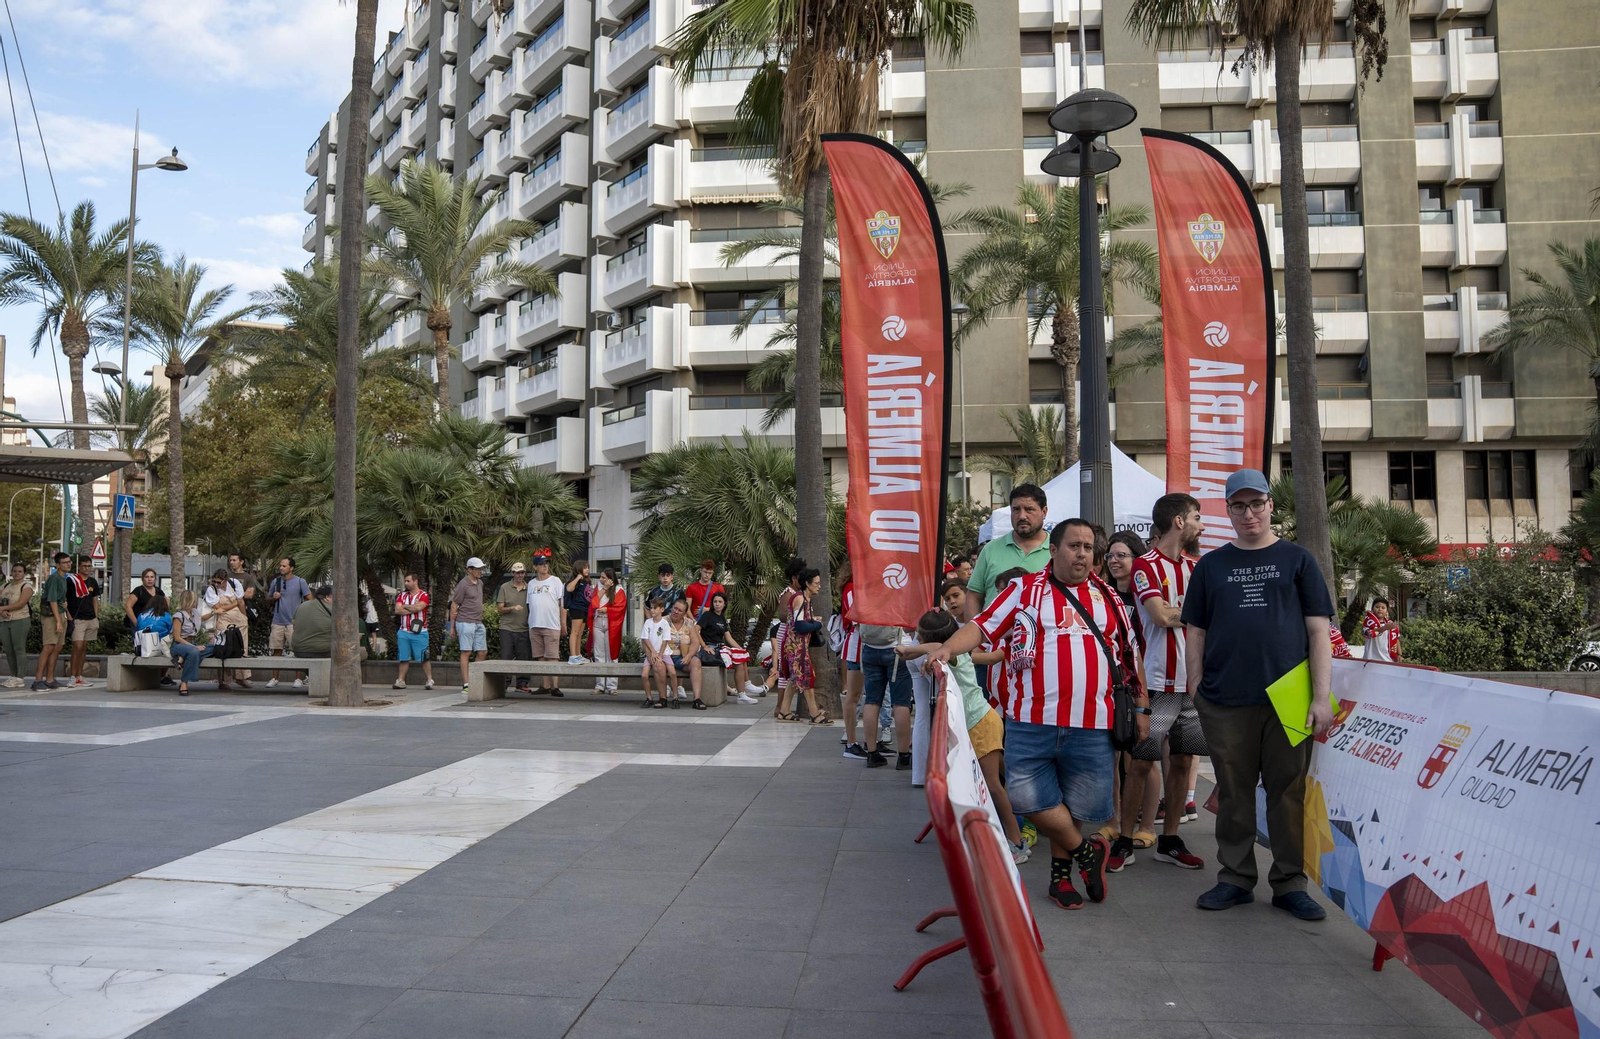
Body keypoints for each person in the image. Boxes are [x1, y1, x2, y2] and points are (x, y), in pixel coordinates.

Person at [928, 518, 1150, 911]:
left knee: (1078, 807)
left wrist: (1143, 706)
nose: (1081, 553)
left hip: (1094, 721)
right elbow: (981, 626)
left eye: (1087, 547)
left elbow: (1130, 657)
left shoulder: (1110, 597)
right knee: (1025, 799)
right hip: (1031, 720)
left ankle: (1060, 880)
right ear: (1054, 549)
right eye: (1073, 546)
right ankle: (1087, 853)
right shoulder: (1023, 590)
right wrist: (948, 649)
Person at [1182, 469, 1336, 921]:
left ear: (1271, 505)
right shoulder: (1211, 566)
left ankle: (1290, 882)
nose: (1249, 513)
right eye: (1239, 505)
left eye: (1256, 504)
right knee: (1233, 791)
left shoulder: (1298, 560)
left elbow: (1318, 630)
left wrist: (1321, 696)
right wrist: (1195, 685)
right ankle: (1234, 878)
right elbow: (1196, 631)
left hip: (1289, 698)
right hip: (1226, 699)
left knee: (1288, 792)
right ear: (1227, 511)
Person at [1110, 494, 1208, 874]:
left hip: (1193, 683)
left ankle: (1169, 840)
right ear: (1179, 522)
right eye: (1197, 517)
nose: (1202, 524)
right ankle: (1124, 839)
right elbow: (1160, 617)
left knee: (1183, 761)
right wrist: (1194, 614)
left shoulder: (1197, 566)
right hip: (1156, 683)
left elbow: (1177, 615)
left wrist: (1180, 613)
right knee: (1141, 763)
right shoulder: (1145, 567)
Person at [898, 608, 1030, 863]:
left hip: (980, 723)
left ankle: (1017, 842)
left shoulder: (953, 653)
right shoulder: (954, 655)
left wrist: (912, 650)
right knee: (1009, 779)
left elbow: (937, 646)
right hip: (980, 722)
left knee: (994, 786)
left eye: (919, 637)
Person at [968, 483, 1051, 615]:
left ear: (1044, 512)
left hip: (1042, 634)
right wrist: (975, 633)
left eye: (1029, 509)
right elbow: (974, 596)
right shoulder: (990, 549)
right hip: (993, 634)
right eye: (1016, 509)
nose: (1022, 516)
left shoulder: (1058, 551)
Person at [776, 568, 829, 725]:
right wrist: (817, 624)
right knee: (806, 677)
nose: (819, 586)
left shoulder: (805, 599)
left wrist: (812, 621)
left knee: (795, 678)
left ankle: (784, 711)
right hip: (796, 647)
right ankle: (813, 713)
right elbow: (799, 626)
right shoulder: (799, 599)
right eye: (817, 583)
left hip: (798, 646)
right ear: (807, 583)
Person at [697, 590, 762, 704]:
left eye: (720, 602)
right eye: (715, 601)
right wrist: (704, 646)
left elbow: (728, 637)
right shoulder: (707, 615)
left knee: (741, 655)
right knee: (738, 661)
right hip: (710, 650)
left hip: (721, 648)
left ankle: (745, 688)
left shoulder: (722, 618)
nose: (717, 604)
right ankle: (742, 694)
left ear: (724, 604)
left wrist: (741, 649)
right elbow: (695, 630)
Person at [264, 558, 312, 689]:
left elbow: (310, 598)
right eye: (280, 565)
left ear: (291, 568)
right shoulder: (276, 581)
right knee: (276, 650)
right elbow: (267, 598)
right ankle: (274, 678)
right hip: (278, 620)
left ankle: (298, 679)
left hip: (293, 621)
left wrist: (303, 614)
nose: (281, 568)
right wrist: (273, 597)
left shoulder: (300, 581)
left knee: (296, 650)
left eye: (284, 566)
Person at [838, 561, 869, 756]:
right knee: (854, 695)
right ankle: (851, 741)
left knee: (870, 696)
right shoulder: (851, 588)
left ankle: (869, 741)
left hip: (869, 643)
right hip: (858, 645)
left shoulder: (861, 587)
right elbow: (855, 616)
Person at [203, 567, 251, 690]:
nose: (217, 584)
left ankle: (242, 677)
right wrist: (235, 603)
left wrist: (244, 617)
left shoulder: (234, 584)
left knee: (242, 647)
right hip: (223, 618)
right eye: (215, 581)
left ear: (225, 580)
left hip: (238, 617)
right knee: (223, 646)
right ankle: (223, 680)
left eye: (219, 582)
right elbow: (219, 607)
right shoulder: (212, 589)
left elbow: (242, 603)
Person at [525, 554, 566, 696]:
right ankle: (545, 685)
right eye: (541, 564)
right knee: (540, 656)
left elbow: (562, 604)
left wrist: (563, 623)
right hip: (535, 625)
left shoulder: (555, 581)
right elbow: (529, 604)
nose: (545, 566)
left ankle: (555, 686)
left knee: (553, 656)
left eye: (546, 563)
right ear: (535, 567)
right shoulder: (531, 584)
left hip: (551, 624)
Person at [32, 552, 72, 690]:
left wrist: (65, 608)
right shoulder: (54, 578)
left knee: (57, 647)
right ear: (58, 565)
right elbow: (52, 600)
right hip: (52, 616)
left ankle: (50, 678)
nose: (68, 564)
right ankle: (38, 680)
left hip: (61, 614)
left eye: (69, 562)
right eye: (65, 562)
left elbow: (60, 599)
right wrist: (58, 621)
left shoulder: (63, 578)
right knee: (48, 646)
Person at [450, 557, 489, 694]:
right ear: (469, 570)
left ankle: (475, 681)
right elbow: (454, 605)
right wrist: (452, 627)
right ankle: (466, 684)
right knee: (466, 652)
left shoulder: (480, 583)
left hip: (478, 622)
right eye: (477, 568)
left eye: (481, 568)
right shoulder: (463, 584)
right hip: (465, 622)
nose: (480, 571)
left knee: (482, 651)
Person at [770, 558, 806, 696]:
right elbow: (783, 614)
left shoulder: (800, 593)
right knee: (785, 670)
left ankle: (783, 707)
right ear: (794, 577)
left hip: (794, 634)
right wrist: (799, 617)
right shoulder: (789, 592)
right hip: (786, 633)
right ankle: (780, 707)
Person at [586, 568, 626, 694]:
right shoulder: (598, 587)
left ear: (610, 578)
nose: (601, 579)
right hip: (598, 622)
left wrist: (608, 610)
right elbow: (593, 601)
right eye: (601, 577)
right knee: (599, 655)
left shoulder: (619, 590)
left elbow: (620, 607)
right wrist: (604, 588)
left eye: (603, 577)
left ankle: (612, 686)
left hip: (611, 623)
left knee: (611, 654)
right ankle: (600, 685)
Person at [169, 590, 216, 696]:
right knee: (194, 652)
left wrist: (213, 612)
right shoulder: (178, 616)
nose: (197, 602)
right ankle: (184, 683)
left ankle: (182, 659)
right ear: (190, 600)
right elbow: (177, 638)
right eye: (195, 599)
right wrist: (195, 647)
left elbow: (202, 619)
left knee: (214, 648)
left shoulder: (195, 613)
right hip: (179, 644)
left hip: (192, 644)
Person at [664, 598, 708, 710]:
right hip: (665, 657)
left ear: (684, 613)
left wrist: (689, 656)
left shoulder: (689, 623)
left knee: (696, 662)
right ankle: (662, 699)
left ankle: (696, 699)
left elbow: (695, 642)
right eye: (675, 608)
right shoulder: (663, 621)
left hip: (682, 657)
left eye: (680, 610)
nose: (676, 612)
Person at [393, 573, 435, 690]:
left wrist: (406, 606)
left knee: (424, 657)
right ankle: (400, 680)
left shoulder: (424, 595)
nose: (406, 583)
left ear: (415, 581)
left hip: (420, 632)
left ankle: (429, 680)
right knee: (403, 657)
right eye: (405, 581)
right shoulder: (401, 595)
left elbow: (419, 608)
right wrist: (412, 607)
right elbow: (397, 610)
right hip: (404, 631)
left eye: (408, 581)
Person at [65, 555, 102, 688]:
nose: (87, 568)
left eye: (89, 566)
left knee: (84, 647)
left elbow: (95, 599)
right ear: (79, 566)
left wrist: (96, 616)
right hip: (77, 618)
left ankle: (80, 676)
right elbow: (66, 599)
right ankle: (72, 676)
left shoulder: (93, 582)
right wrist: (69, 616)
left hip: (91, 618)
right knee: (77, 646)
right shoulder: (72, 581)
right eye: (84, 566)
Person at [496, 562, 533, 693]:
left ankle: (522, 684)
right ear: (512, 573)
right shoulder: (505, 587)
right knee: (506, 657)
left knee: (524, 657)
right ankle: (504, 684)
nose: (519, 575)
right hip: (507, 628)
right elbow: (500, 609)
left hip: (524, 628)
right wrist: (512, 608)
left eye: (522, 572)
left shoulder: (529, 588)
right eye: (517, 572)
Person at [227, 553, 259, 684]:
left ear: (241, 562)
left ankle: (242, 677)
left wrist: (232, 596)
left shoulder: (248, 577)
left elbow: (250, 594)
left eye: (234, 560)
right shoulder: (226, 576)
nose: (232, 562)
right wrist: (240, 595)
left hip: (241, 612)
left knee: (242, 644)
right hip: (226, 613)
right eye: (230, 560)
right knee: (225, 643)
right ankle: (226, 678)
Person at [1, 562, 34, 687]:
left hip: (20, 620)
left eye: (20, 571)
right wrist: (3, 611)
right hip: (5, 621)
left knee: (19, 648)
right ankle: (13, 676)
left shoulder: (26, 587)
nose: (17, 573)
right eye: (15, 571)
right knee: (8, 650)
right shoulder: (6, 585)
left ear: (24, 573)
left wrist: (2, 609)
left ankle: (20, 677)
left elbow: (20, 604)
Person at [639, 596, 672, 708]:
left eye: (654, 608)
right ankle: (649, 698)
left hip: (663, 653)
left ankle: (663, 697)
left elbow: (665, 641)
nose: (652, 610)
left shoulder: (665, 623)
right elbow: (645, 638)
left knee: (663, 669)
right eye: (651, 608)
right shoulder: (648, 622)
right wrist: (652, 652)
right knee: (644, 675)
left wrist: (659, 655)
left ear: (662, 609)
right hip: (651, 653)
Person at [291, 586, 334, 658]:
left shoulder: (302, 605)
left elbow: (294, 626)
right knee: (357, 652)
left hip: (298, 651)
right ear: (328, 597)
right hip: (321, 651)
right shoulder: (334, 609)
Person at [564, 562, 591, 664]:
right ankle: (573, 656)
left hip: (585, 609)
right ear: (579, 569)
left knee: (580, 633)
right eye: (585, 568)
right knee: (575, 632)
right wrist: (577, 578)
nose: (587, 570)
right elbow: (569, 588)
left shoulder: (586, 581)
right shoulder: (575, 581)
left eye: (588, 568)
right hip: (576, 608)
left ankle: (578, 655)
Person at [1363, 597, 1401, 663]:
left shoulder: (1390, 624)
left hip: (1388, 660)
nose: (1380, 609)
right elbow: (1370, 633)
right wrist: (1385, 628)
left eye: (1383, 608)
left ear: (1387, 611)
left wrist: (1399, 654)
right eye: (1377, 607)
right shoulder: (1368, 623)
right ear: (1372, 609)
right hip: (1370, 661)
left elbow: (1396, 639)